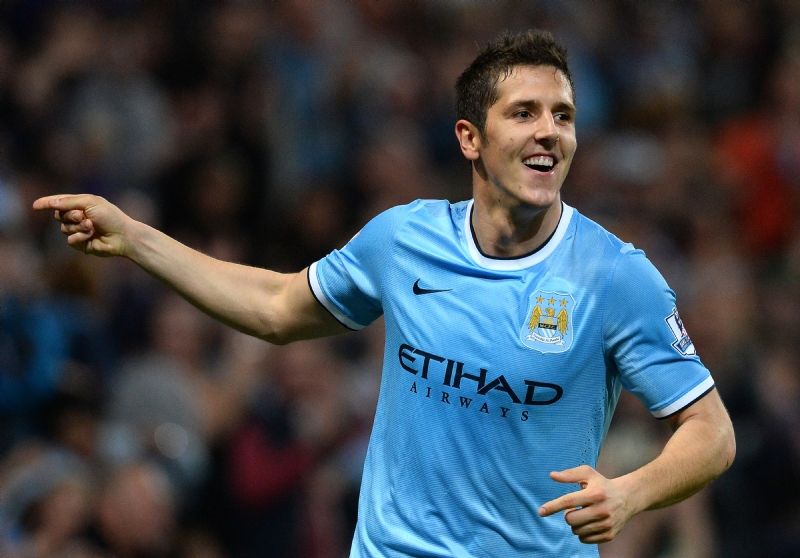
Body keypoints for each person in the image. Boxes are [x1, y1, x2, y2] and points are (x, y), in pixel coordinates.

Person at [34, 29, 735, 557]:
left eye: (563, 115)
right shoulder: (403, 240)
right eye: (524, 113)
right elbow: (276, 308)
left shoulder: (616, 277)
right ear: (470, 138)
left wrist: (630, 492)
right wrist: (136, 240)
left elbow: (711, 432)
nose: (549, 131)